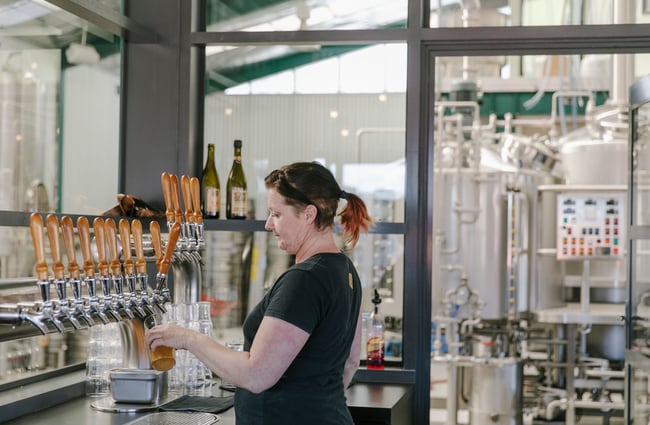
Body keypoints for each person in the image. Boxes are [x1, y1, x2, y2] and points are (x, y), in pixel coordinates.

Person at [146, 161, 373, 424]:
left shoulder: (304, 280)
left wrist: (188, 339)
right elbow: (350, 363)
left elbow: (256, 375)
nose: (268, 224)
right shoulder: (344, 269)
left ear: (308, 214)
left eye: (276, 214)